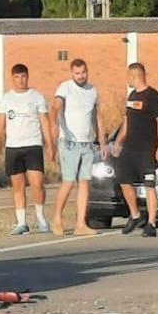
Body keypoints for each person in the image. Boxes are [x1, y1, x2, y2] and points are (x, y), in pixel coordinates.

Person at [0, 64, 53, 235]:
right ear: (12, 78)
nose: (20, 80)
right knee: (18, 185)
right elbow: (0, 122)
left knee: (37, 183)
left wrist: (50, 144)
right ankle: (21, 222)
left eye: (23, 76)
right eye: (17, 77)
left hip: (33, 145)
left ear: (27, 76)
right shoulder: (6, 99)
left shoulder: (37, 97)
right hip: (13, 147)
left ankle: (40, 217)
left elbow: (45, 122)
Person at [49, 58, 108, 236]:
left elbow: (97, 117)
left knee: (85, 183)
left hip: (87, 143)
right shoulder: (65, 88)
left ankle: (80, 224)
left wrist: (102, 141)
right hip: (69, 143)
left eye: (83, 73)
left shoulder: (92, 91)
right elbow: (55, 107)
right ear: (72, 73)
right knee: (68, 182)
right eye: (77, 73)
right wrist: (54, 126)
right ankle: (57, 218)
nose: (81, 76)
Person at [112, 63, 158, 238]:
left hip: (146, 150)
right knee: (123, 180)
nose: (127, 79)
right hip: (129, 149)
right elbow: (127, 122)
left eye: (128, 76)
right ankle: (135, 215)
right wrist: (118, 141)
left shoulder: (153, 96)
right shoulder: (132, 96)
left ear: (135, 75)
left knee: (149, 185)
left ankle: (151, 223)